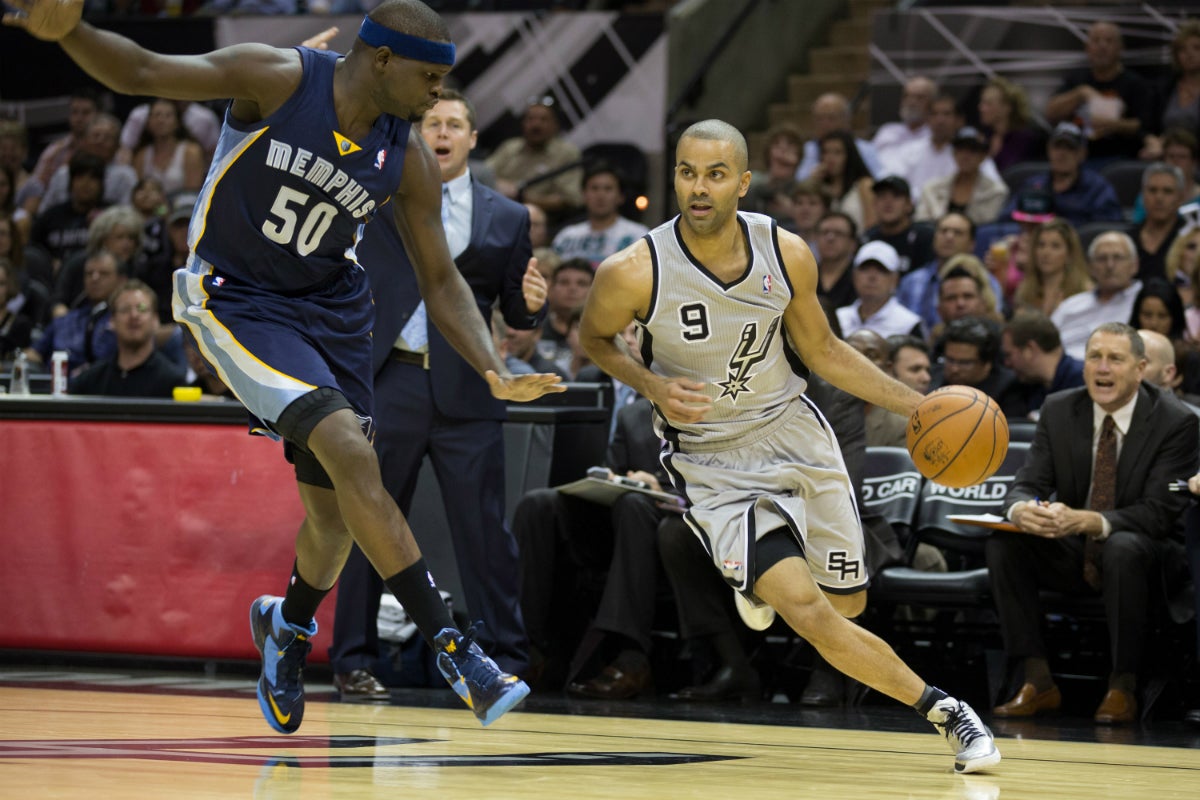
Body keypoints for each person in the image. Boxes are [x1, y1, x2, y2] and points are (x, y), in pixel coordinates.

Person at [6, 0, 565, 733]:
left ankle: (288, 627)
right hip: (240, 299)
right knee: (351, 451)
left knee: (333, 517)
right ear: (385, 59)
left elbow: (441, 278)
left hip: (334, 313)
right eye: (429, 79)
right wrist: (72, 32)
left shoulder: (409, 158)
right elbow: (145, 70)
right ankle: (455, 647)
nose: (438, 98)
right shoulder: (277, 77)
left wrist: (491, 365)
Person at [578, 118, 999, 773]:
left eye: (716, 174)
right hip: (711, 458)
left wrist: (920, 407)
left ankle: (761, 585)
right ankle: (950, 713)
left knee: (848, 604)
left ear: (743, 183)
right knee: (808, 612)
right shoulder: (633, 270)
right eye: (688, 172)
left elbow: (825, 350)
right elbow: (594, 339)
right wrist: (652, 384)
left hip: (794, 432)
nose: (699, 186)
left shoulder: (788, 253)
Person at [330, 87, 549, 696]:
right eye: (432, 122)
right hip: (389, 377)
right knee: (368, 520)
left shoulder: (507, 217)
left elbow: (517, 316)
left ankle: (506, 656)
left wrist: (533, 309)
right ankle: (352, 658)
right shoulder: (374, 196)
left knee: (484, 532)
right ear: (416, 134)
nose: (443, 132)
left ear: (473, 139)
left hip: (469, 388)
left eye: (454, 123)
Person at [990, 323, 1196, 723]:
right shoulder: (1060, 409)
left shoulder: (1177, 421)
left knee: (1122, 546)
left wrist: (1089, 521)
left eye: (1115, 359)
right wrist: (1021, 510)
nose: (1102, 368)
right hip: (1076, 546)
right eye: (1094, 357)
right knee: (1007, 543)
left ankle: (1123, 685)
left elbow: (1158, 513)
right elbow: (1027, 484)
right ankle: (1037, 679)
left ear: (1139, 369)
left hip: (1150, 556)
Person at [1044, 21, 1151, 163]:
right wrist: (1082, 93)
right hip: (1075, 158)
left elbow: (1144, 125)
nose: (1102, 46)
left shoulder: (1135, 83)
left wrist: (1112, 124)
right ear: (1087, 48)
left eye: (1109, 41)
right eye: (1096, 40)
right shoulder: (1077, 79)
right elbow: (1050, 113)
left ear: (1120, 48)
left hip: (1119, 158)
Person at [68, 279, 184, 397]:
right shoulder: (89, 381)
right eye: (125, 309)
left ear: (155, 320)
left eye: (142, 308)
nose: (134, 315)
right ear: (111, 321)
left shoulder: (173, 383)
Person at [1001, 122, 1123, 228]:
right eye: (1057, 147)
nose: (1062, 154)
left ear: (1082, 154)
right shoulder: (1033, 185)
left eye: (1070, 148)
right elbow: (1006, 218)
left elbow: (1107, 228)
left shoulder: (1097, 189)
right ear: (1049, 150)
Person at [486, 100, 583, 222]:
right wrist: (501, 185)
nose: (536, 125)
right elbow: (481, 175)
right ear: (523, 124)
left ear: (555, 125)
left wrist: (523, 197)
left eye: (543, 120)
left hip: (536, 220)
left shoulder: (566, 153)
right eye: (531, 119)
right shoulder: (510, 147)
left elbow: (569, 200)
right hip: (494, 211)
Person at [1052, 231, 1143, 359]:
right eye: (1102, 259)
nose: (1110, 265)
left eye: (1118, 258)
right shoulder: (1070, 305)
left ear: (1134, 265)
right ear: (1090, 267)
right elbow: (1046, 345)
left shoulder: (1145, 302)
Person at [551, 162, 648, 266]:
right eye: (594, 188)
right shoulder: (566, 236)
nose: (600, 196)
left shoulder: (638, 236)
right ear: (583, 195)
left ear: (621, 196)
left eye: (608, 189)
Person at [914, 126, 1008, 227]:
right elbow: (921, 225)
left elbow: (987, 228)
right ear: (954, 153)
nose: (965, 156)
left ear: (983, 156)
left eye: (973, 150)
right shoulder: (932, 188)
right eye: (960, 149)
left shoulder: (995, 192)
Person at [1000, 310, 1085, 420]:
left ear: (1030, 350)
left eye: (1009, 355)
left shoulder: (1084, 382)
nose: (1007, 363)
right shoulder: (1024, 387)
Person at [835, 240, 924, 339]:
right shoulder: (838, 318)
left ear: (895, 280)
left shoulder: (908, 325)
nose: (872, 276)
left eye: (882, 270)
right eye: (865, 269)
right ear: (854, 275)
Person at [1012, 217, 1092, 318]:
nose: (1046, 253)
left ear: (1069, 254)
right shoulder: (1024, 291)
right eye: (1041, 245)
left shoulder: (1083, 291)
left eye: (1055, 246)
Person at [794, 92, 883, 181]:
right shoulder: (806, 150)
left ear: (846, 120)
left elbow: (878, 181)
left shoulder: (866, 150)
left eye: (831, 118)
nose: (824, 124)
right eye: (819, 118)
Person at [860, 175, 933, 277]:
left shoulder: (925, 237)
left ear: (909, 204)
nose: (888, 202)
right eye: (882, 196)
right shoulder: (867, 239)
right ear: (874, 204)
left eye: (896, 196)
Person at [1133, 163, 1187, 283]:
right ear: (1142, 195)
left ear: (1180, 197)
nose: (1159, 198)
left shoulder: (1191, 240)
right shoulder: (1127, 240)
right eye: (1152, 190)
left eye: (1167, 191)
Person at [977, 75, 1040, 172]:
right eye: (982, 102)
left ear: (1007, 107)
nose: (981, 108)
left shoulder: (1025, 140)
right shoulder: (984, 138)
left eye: (988, 104)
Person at [871, 76, 937, 163]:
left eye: (919, 97)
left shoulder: (935, 136)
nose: (911, 102)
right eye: (907, 96)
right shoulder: (887, 131)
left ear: (932, 103)